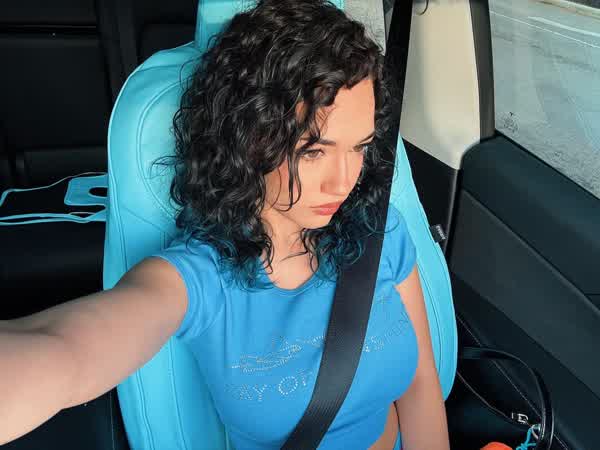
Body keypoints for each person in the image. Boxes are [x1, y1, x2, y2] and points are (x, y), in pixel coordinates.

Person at [0, 1, 449, 449]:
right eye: (313, 151)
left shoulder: (377, 229)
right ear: (252, 138)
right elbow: (65, 350)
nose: (344, 181)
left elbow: (421, 384)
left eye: (359, 148)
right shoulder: (199, 277)